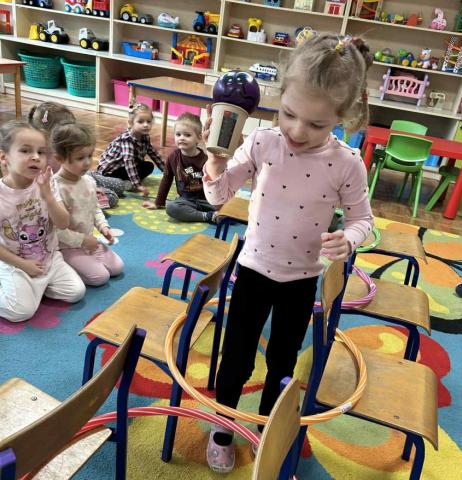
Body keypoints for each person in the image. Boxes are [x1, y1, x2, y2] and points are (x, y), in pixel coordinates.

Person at [202, 34, 375, 473]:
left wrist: (349, 239)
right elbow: (218, 198)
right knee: (236, 357)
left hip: (300, 280)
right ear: (279, 99)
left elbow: (363, 220)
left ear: (342, 117)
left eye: (316, 124)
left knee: (282, 362)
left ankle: (266, 430)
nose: (297, 131)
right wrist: (215, 163)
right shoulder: (263, 141)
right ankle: (224, 426)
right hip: (253, 270)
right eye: (289, 114)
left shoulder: (347, 162)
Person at [0, 120, 85, 322]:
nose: (36, 157)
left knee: (76, 292)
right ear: (4, 157)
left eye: (41, 152)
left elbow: (63, 223)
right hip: (15, 263)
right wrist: (23, 265)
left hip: (49, 258)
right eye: (25, 151)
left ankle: (35, 289)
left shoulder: (47, 180)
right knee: (21, 312)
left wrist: (47, 196)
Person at [52, 123, 124, 287]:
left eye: (90, 156)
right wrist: (82, 240)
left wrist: (103, 226)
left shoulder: (89, 180)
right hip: (66, 247)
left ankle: (87, 261)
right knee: (100, 277)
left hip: (89, 241)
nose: (87, 163)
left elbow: (95, 208)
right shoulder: (56, 188)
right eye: (80, 158)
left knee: (117, 267)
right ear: (60, 159)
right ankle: (62, 268)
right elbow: (57, 231)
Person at [29, 101, 127, 208]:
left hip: (84, 176)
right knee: (112, 197)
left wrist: (87, 183)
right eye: (67, 131)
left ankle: (107, 182)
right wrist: (87, 191)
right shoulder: (39, 158)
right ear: (44, 133)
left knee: (120, 185)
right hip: (69, 188)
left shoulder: (66, 145)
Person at [142, 112, 218, 223]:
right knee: (171, 207)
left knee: (227, 209)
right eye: (178, 134)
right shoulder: (173, 157)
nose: (181, 138)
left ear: (198, 138)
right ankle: (207, 216)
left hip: (206, 200)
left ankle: (214, 214)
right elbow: (166, 179)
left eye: (187, 135)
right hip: (186, 201)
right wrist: (158, 202)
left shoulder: (206, 160)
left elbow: (215, 183)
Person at [97, 102, 164, 197]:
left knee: (149, 166)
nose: (146, 125)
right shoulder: (127, 140)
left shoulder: (145, 136)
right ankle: (122, 184)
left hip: (125, 167)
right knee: (131, 170)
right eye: (140, 122)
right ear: (131, 123)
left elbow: (154, 154)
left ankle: (127, 182)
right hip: (111, 171)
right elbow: (129, 163)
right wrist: (138, 185)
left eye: (148, 122)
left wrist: (166, 170)